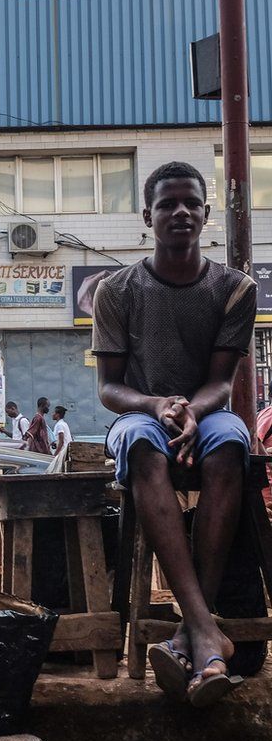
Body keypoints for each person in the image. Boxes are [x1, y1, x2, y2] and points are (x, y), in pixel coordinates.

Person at [93, 160, 255, 707]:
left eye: (191, 203)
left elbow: (221, 380)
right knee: (140, 442)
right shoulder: (116, 290)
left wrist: (191, 411)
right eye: (167, 204)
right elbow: (110, 389)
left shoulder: (235, 289)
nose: (180, 212)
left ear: (207, 215)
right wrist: (157, 404)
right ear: (147, 216)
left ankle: (194, 631)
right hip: (141, 413)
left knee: (232, 444)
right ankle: (208, 634)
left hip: (209, 413)